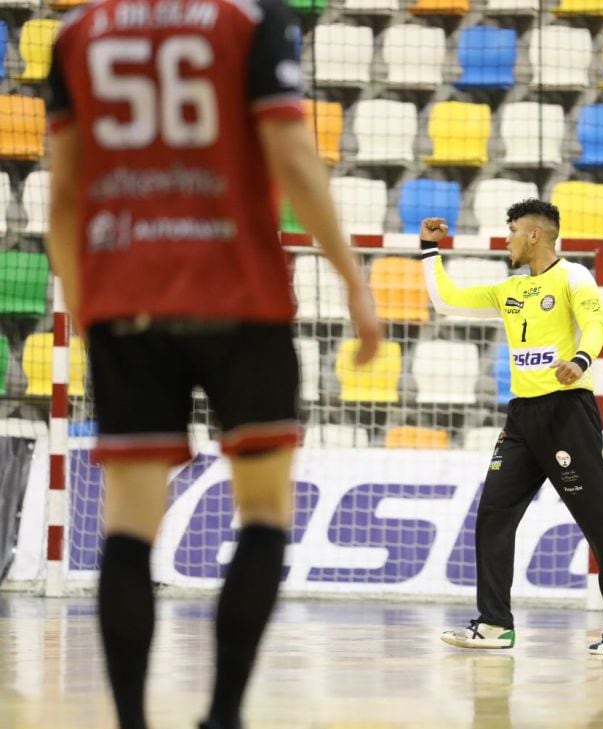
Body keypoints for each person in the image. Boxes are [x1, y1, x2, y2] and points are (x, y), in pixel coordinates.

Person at [44, 1, 380, 726]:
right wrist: (355, 281)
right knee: (263, 510)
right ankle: (222, 715)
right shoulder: (254, 19)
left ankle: (131, 720)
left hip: (126, 300)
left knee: (129, 523)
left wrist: (86, 309)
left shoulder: (75, 34)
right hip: (242, 298)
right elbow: (291, 157)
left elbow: (63, 199)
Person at [419, 201, 603, 655]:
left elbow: (595, 325)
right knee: (493, 515)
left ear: (535, 235)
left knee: (597, 519)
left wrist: (580, 360)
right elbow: (447, 302)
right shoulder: (510, 291)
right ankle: (494, 624)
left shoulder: (573, 277)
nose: (507, 239)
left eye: (512, 231)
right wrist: (429, 251)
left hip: (567, 413)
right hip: (522, 418)